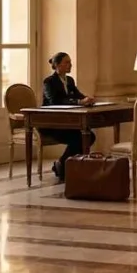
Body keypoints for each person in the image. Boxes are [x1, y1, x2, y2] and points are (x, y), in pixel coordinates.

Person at [40, 52, 96, 182]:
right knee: (80, 137)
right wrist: (77, 102)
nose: (70, 65)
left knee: (88, 136)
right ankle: (64, 166)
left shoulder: (69, 80)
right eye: (67, 62)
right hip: (51, 124)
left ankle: (62, 164)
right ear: (57, 65)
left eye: (70, 62)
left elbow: (77, 95)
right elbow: (55, 101)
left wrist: (87, 99)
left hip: (67, 122)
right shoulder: (49, 82)